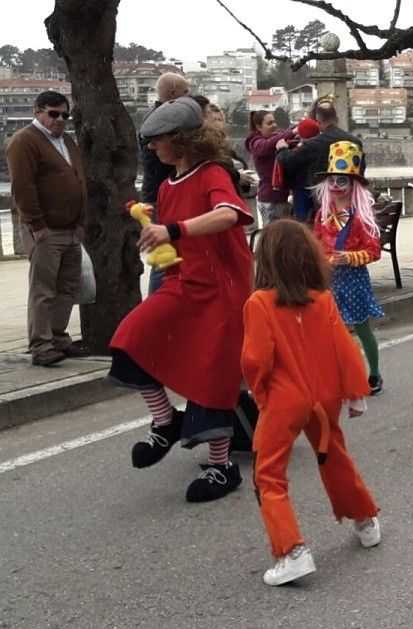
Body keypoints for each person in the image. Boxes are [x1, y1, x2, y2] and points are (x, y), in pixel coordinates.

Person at [109, 96, 254, 502]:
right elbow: (175, 235)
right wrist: (156, 236)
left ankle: (222, 467)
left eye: (158, 140)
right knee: (129, 341)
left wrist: (173, 230)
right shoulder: (168, 185)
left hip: (221, 291)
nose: (152, 148)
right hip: (181, 284)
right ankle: (166, 420)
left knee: (212, 378)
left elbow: (229, 214)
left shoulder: (213, 174)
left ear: (183, 139)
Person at [242, 219, 381, 587]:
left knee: (268, 473)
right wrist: (355, 393)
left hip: (285, 399)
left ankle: (291, 550)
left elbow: (256, 360)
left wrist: (260, 393)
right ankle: (365, 519)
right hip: (324, 395)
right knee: (333, 455)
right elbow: (344, 348)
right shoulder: (322, 299)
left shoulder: (260, 303)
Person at [5, 90, 90, 366]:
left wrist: (79, 224)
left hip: (71, 229)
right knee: (43, 289)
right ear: (38, 111)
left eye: (65, 115)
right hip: (45, 230)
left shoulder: (66, 141)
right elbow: (22, 187)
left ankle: (57, 337)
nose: (60, 119)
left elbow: (77, 179)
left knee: (67, 287)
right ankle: (41, 344)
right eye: (53, 113)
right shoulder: (24, 141)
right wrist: (37, 225)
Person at [312, 141, 385, 394]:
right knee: (334, 333)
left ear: (352, 183)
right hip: (328, 280)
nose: (335, 185)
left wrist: (351, 257)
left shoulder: (361, 215)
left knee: (362, 329)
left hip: (354, 281)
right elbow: (316, 243)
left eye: (342, 181)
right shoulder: (322, 213)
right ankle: (342, 376)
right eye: (332, 180)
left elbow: (374, 251)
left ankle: (374, 374)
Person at [142, 73, 190, 294]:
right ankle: (158, 302)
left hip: (158, 193)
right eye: (185, 91)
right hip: (161, 195)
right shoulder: (162, 121)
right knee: (165, 255)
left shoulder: (156, 117)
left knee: (167, 255)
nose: (188, 95)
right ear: (172, 93)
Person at [277, 102, 363, 222]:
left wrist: (281, 149)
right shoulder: (356, 142)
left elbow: (288, 160)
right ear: (337, 118)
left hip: (322, 202)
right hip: (350, 200)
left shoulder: (313, 144)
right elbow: (361, 171)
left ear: (318, 122)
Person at [245, 110, 294, 226]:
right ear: (258, 127)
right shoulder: (256, 143)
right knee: (274, 238)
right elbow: (267, 146)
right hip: (271, 200)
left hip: (280, 199)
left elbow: (284, 136)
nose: (274, 125)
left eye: (274, 122)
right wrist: (292, 132)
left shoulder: (275, 138)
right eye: (269, 123)